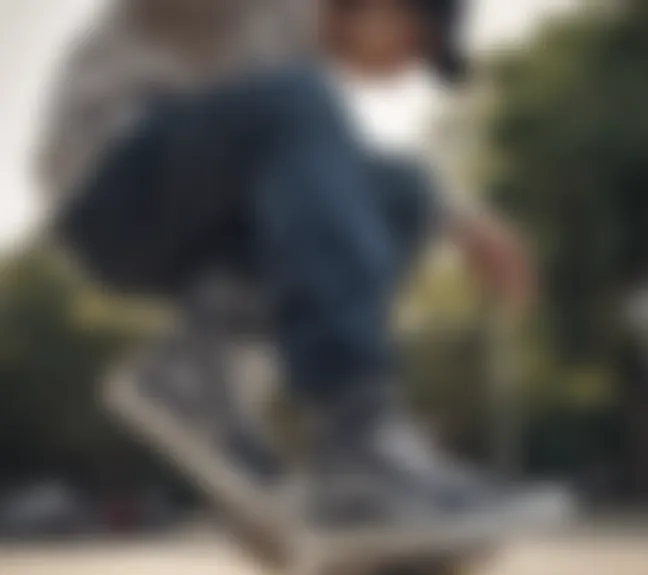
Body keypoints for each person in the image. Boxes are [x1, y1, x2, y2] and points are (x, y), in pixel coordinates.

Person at [40, 0, 539, 526]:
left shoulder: (297, 78)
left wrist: (463, 220)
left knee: (402, 192)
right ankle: (356, 429)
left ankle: (202, 363)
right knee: (299, 103)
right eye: (413, 43)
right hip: (107, 193)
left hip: (200, 216)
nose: (406, 68)